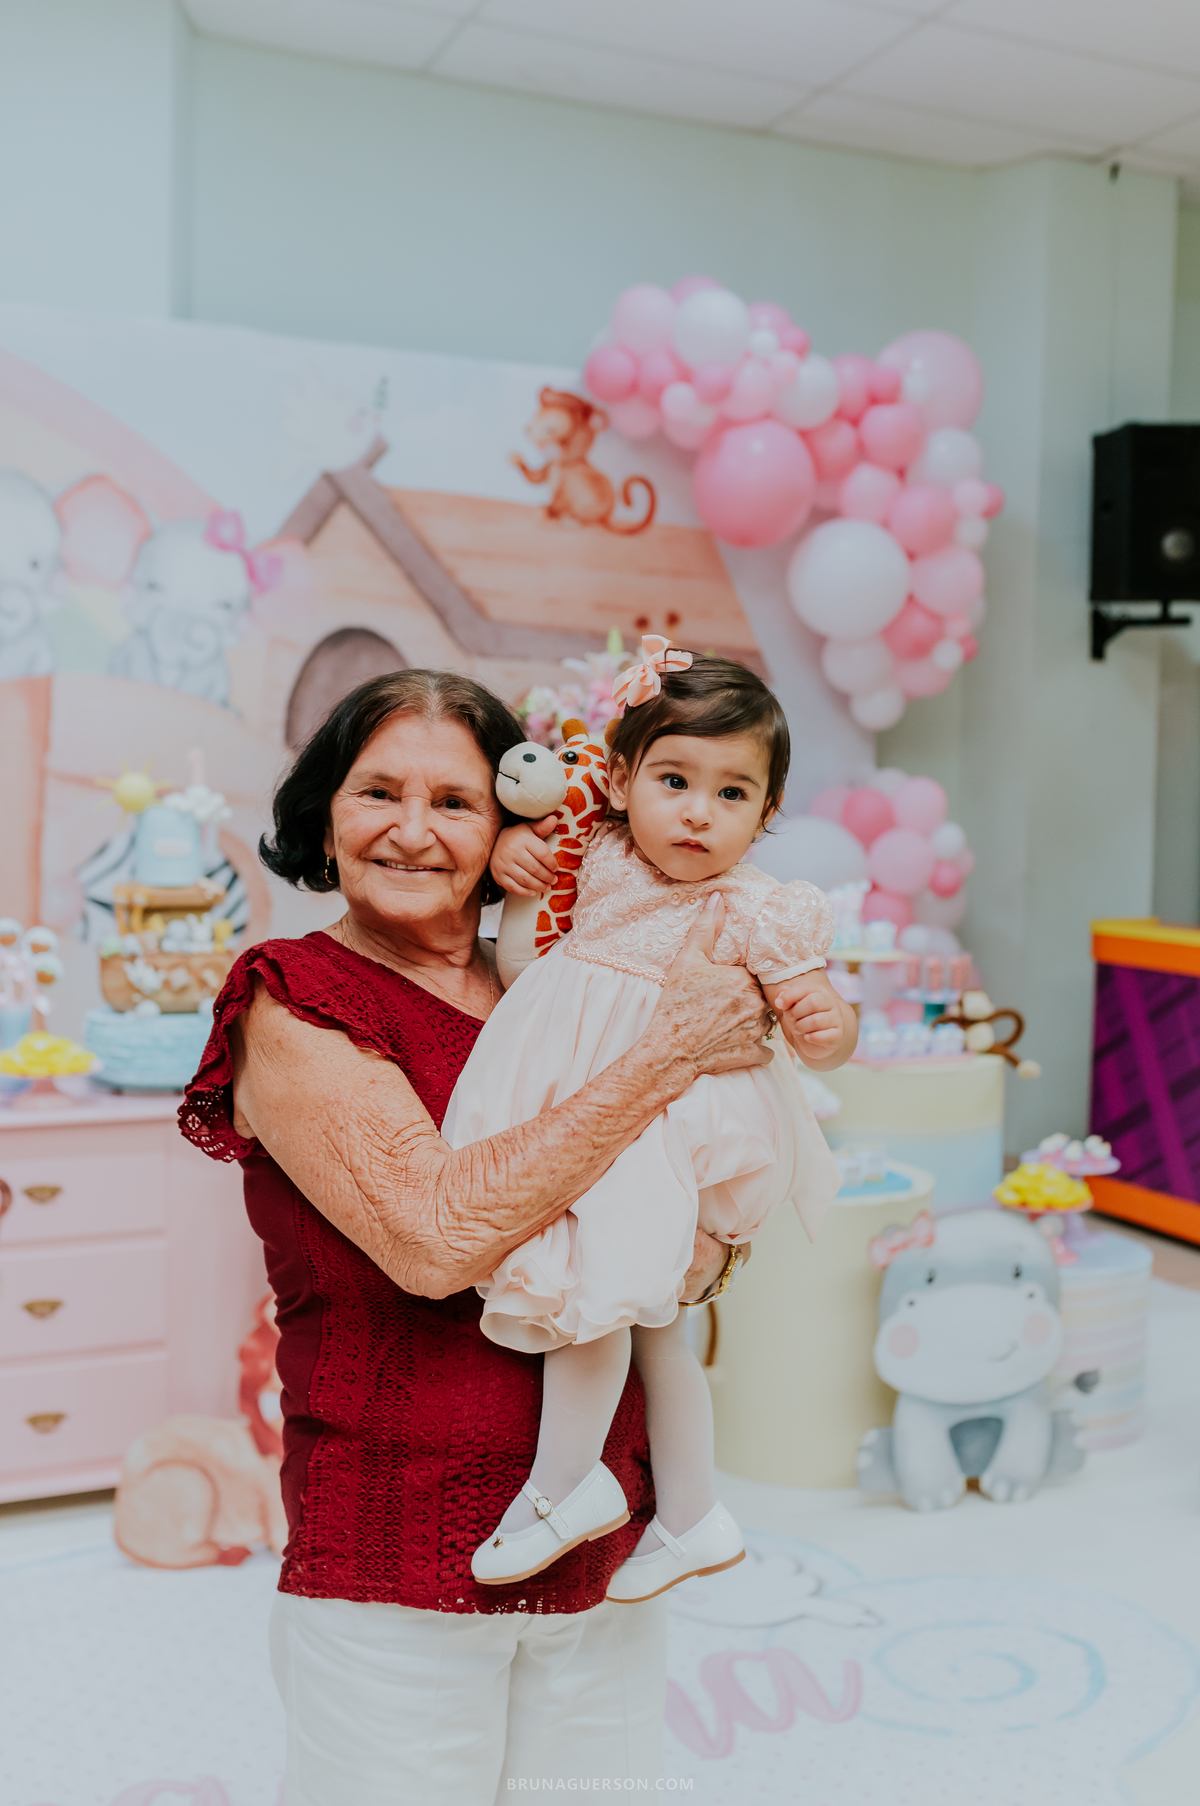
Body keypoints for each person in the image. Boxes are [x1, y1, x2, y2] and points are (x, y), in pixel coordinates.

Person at [178, 668, 775, 1806]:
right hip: (395, 1559)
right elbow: (437, 1236)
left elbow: (680, 1210)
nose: (412, 830)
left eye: (453, 801)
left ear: (513, 829)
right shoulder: (296, 997)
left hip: (597, 1540)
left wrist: (711, 1237)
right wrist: (665, 1060)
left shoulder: (566, 990)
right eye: (376, 793)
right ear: (324, 814)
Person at [449, 642, 858, 1600]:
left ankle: (564, 1486)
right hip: (585, 1099)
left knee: (598, 1293)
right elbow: (527, 870)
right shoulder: (601, 854)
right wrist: (515, 851)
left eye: (732, 795)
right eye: (676, 780)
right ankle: (690, 1516)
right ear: (625, 779)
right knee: (658, 1325)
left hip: (665, 1117)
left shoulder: (756, 906)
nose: (698, 813)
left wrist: (824, 1024)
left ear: (765, 815)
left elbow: (819, 1018)